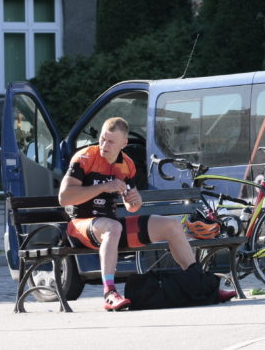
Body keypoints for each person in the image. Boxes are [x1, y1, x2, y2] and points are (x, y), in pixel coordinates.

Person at [58, 117, 236, 311]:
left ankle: (201, 286)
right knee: (113, 227)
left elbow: (131, 207)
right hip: (80, 226)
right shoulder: (84, 157)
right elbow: (64, 197)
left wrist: (134, 201)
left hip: (111, 226)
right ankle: (109, 293)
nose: (104, 145)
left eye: (110, 142)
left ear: (123, 144)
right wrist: (105, 187)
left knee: (172, 226)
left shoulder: (127, 164)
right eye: (102, 139)